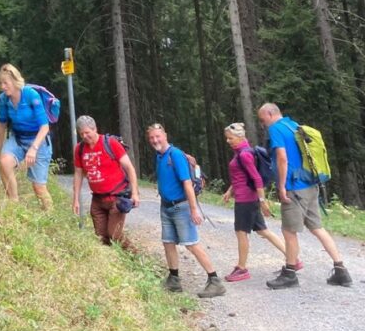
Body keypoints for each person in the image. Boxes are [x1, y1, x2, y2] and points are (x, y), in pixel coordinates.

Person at [257, 103, 352, 288]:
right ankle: (341, 270)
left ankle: (290, 274)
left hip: (294, 187)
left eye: (262, 119)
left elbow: (282, 158)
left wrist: (282, 186)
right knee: (317, 228)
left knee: (289, 231)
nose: (262, 124)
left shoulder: (276, 129)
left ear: (270, 113)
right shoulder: (293, 126)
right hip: (309, 185)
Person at [147, 123, 225, 298]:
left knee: (191, 244)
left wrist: (194, 209)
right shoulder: (159, 156)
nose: (155, 140)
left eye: (157, 136)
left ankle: (215, 281)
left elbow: (187, 184)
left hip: (181, 207)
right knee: (168, 242)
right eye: (151, 137)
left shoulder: (175, 155)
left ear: (165, 135)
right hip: (166, 206)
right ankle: (174, 279)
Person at [219, 122, 287, 282]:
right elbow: (241, 176)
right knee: (263, 231)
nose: (228, 141)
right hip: (247, 197)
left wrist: (262, 201)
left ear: (239, 137)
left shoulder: (244, 154)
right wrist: (230, 191)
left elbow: (256, 178)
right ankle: (292, 258)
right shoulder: (241, 152)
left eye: (230, 138)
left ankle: (242, 268)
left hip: (246, 200)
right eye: (227, 138)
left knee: (241, 233)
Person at [72, 116, 140, 251]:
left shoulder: (111, 143)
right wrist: (75, 200)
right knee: (101, 238)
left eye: (87, 132)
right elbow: (78, 174)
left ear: (95, 129)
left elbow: (129, 168)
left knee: (114, 234)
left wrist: (135, 193)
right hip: (97, 200)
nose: (85, 136)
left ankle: (135, 255)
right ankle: (114, 264)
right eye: (82, 134)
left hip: (117, 197)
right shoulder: (79, 149)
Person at [0, 64, 53, 209]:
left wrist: (33, 149)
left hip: (38, 140)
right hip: (18, 138)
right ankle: (14, 204)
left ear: (14, 81)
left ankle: (49, 215)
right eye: (0, 83)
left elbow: (44, 126)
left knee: (38, 187)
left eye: (5, 83)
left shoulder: (30, 95)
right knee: (5, 162)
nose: (2, 86)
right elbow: (1, 125)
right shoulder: (3, 99)